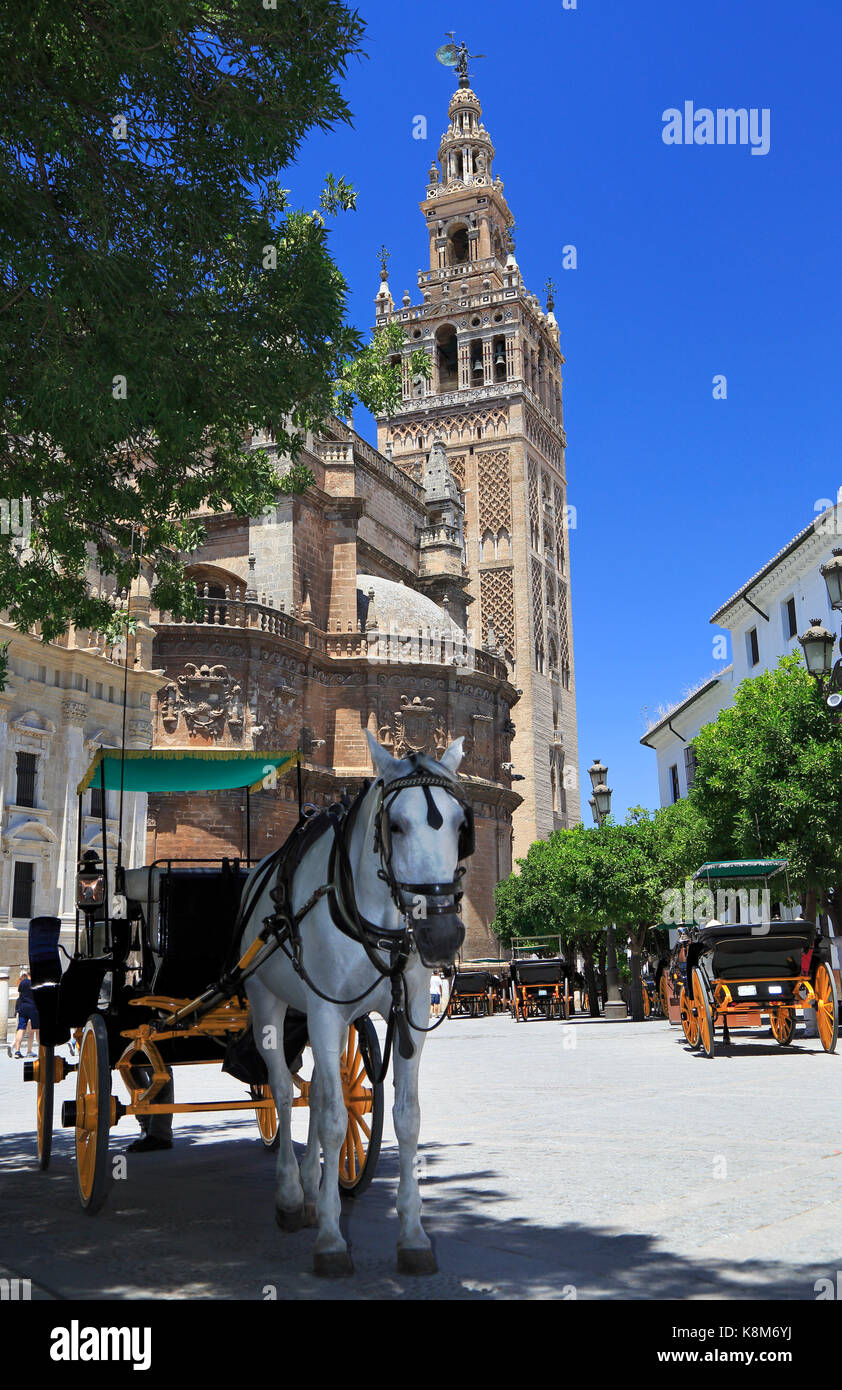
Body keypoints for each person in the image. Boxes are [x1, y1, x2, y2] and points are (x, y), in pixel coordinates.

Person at [12, 970, 39, 1059]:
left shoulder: (22, 983)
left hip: (23, 1008)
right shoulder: (36, 983)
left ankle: (17, 1050)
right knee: (37, 1030)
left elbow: (20, 994)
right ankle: (42, 1050)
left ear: (27, 974)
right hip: (33, 1008)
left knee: (21, 1028)